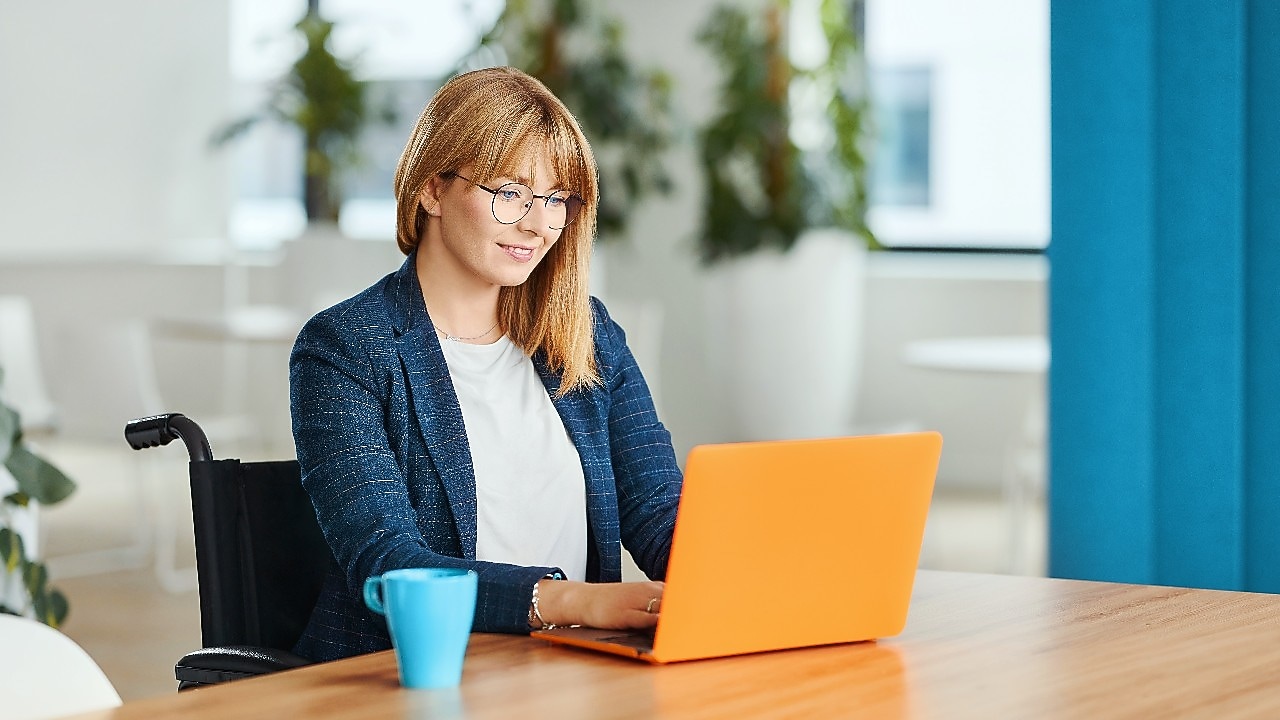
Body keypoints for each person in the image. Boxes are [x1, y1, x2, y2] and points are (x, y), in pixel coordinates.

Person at [288, 66, 683, 662]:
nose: (537, 223)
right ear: (432, 189)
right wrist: (575, 603)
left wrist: (733, 569)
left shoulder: (586, 335)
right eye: (510, 193)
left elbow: (655, 511)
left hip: (578, 674)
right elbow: (391, 565)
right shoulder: (345, 348)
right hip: (411, 679)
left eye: (555, 199)